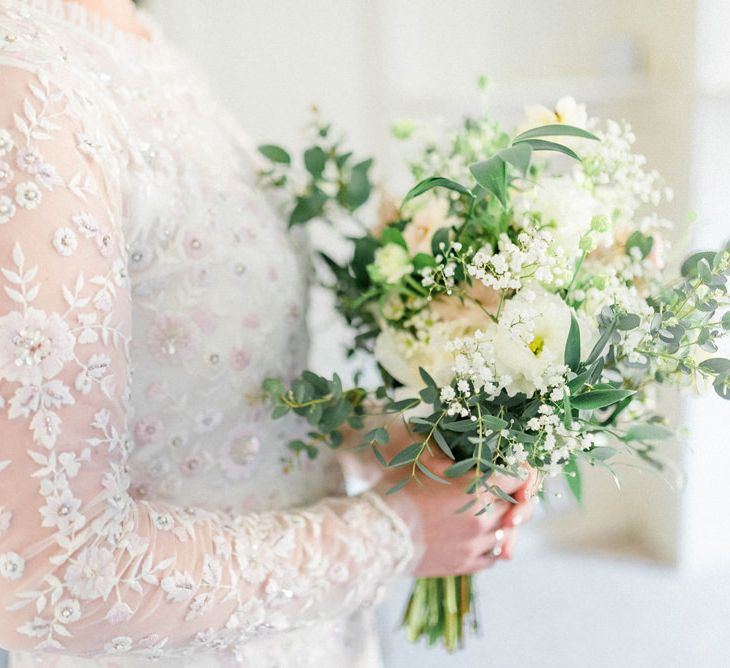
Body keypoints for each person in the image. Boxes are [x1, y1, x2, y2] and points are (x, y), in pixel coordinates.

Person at [0, 1, 536, 665]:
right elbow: (48, 583)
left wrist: (380, 433)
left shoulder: (139, 40)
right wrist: (396, 534)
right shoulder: (26, 77)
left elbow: (226, 382)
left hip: (308, 627)